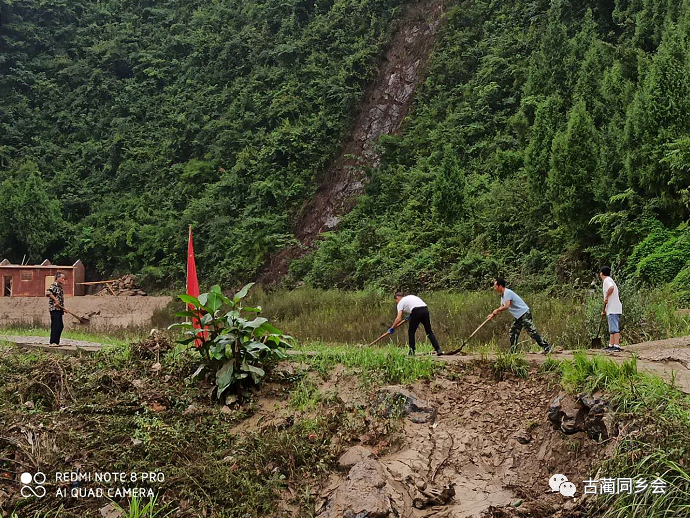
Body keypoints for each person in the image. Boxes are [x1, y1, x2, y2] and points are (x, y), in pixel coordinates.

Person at [488, 278, 551, 354]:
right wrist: (493, 314)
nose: (494, 288)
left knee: (532, 332)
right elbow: (502, 306)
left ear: (500, 286)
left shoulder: (507, 292)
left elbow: (507, 306)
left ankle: (546, 347)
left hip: (524, 314)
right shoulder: (503, 295)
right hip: (518, 316)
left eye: (495, 286)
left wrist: (497, 310)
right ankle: (513, 351)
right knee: (513, 332)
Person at [599, 266, 622, 352]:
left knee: (614, 328)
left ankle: (616, 345)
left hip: (614, 308)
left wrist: (607, 297)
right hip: (612, 308)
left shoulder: (607, 280)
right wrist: (604, 310)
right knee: (612, 328)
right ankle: (611, 345)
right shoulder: (609, 280)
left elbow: (611, 288)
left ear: (601, 273)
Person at [46, 272, 67, 347]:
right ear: (57, 278)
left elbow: (60, 299)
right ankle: (53, 342)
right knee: (56, 325)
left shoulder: (60, 287)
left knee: (60, 326)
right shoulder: (54, 285)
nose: (63, 280)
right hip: (54, 308)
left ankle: (56, 342)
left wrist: (63, 308)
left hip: (59, 309)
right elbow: (48, 292)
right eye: (62, 278)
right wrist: (55, 300)